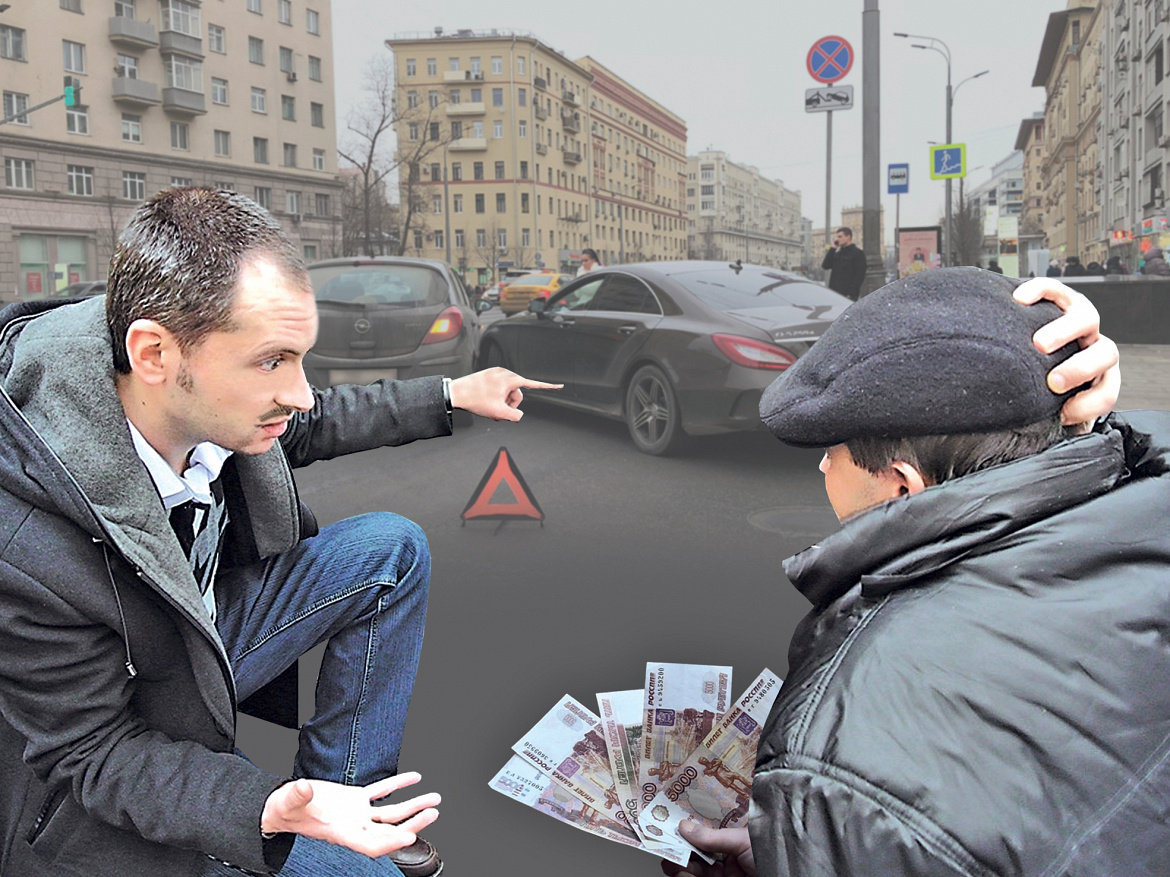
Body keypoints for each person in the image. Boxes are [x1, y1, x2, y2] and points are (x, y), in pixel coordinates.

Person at [0, 187, 559, 877]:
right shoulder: (24, 539)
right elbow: (94, 753)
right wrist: (264, 805)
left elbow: (317, 419)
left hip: (195, 630)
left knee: (391, 549)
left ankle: (348, 798)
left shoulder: (188, 387)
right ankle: (320, 827)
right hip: (128, 725)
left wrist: (450, 392)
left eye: (300, 356)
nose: (298, 392)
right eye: (272, 361)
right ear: (154, 354)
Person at [663, 271, 1170, 877]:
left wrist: (818, 842)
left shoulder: (840, 760)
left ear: (903, 486)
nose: (822, 465)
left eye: (833, 449)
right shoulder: (1144, 495)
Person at [820, 228, 868, 300]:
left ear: (848, 237)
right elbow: (825, 266)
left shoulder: (857, 253)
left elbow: (859, 275)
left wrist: (851, 294)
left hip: (848, 295)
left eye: (840, 237)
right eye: (837, 237)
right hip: (834, 294)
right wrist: (832, 249)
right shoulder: (838, 254)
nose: (837, 239)